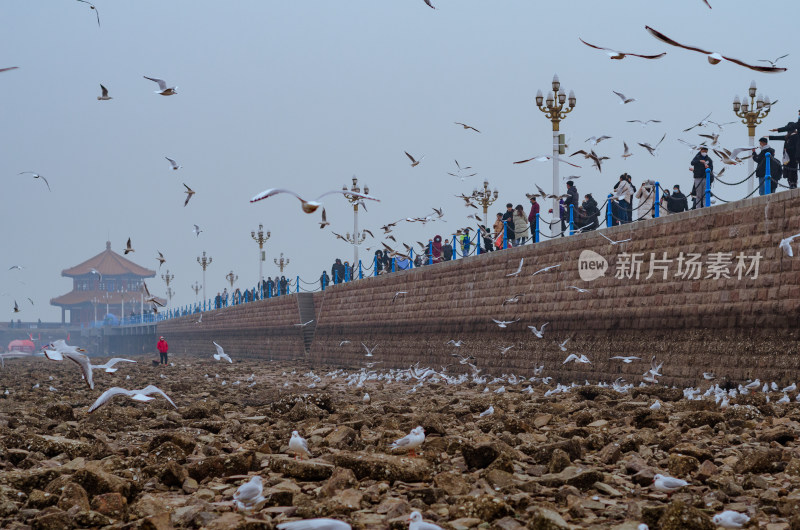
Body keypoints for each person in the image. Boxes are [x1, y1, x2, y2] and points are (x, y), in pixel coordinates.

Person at [769, 122, 798, 189]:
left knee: (793, 170)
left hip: (793, 156)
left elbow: (794, 147)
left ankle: (793, 183)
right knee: (789, 170)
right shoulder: (788, 136)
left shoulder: (795, 136)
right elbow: (780, 137)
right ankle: (790, 182)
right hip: (787, 156)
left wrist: (787, 149)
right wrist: (770, 137)